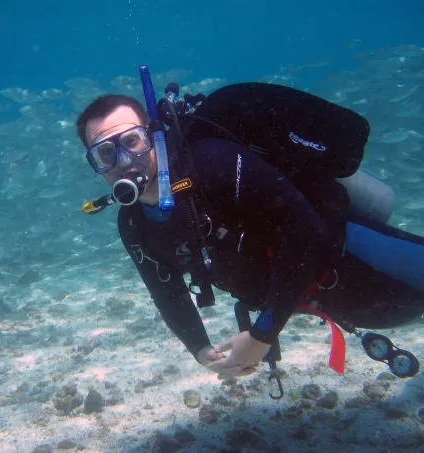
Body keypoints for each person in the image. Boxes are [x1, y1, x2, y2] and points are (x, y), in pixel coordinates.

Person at [76, 88, 424, 379]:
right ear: (95, 167)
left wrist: (262, 334)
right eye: (105, 153)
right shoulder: (133, 224)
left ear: (154, 137)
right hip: (324, 304)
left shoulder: (212, 162)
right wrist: (200, 350)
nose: (124, 161)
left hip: (353, 258)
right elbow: (167, 292)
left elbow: (307, 232)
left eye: (132, 141)